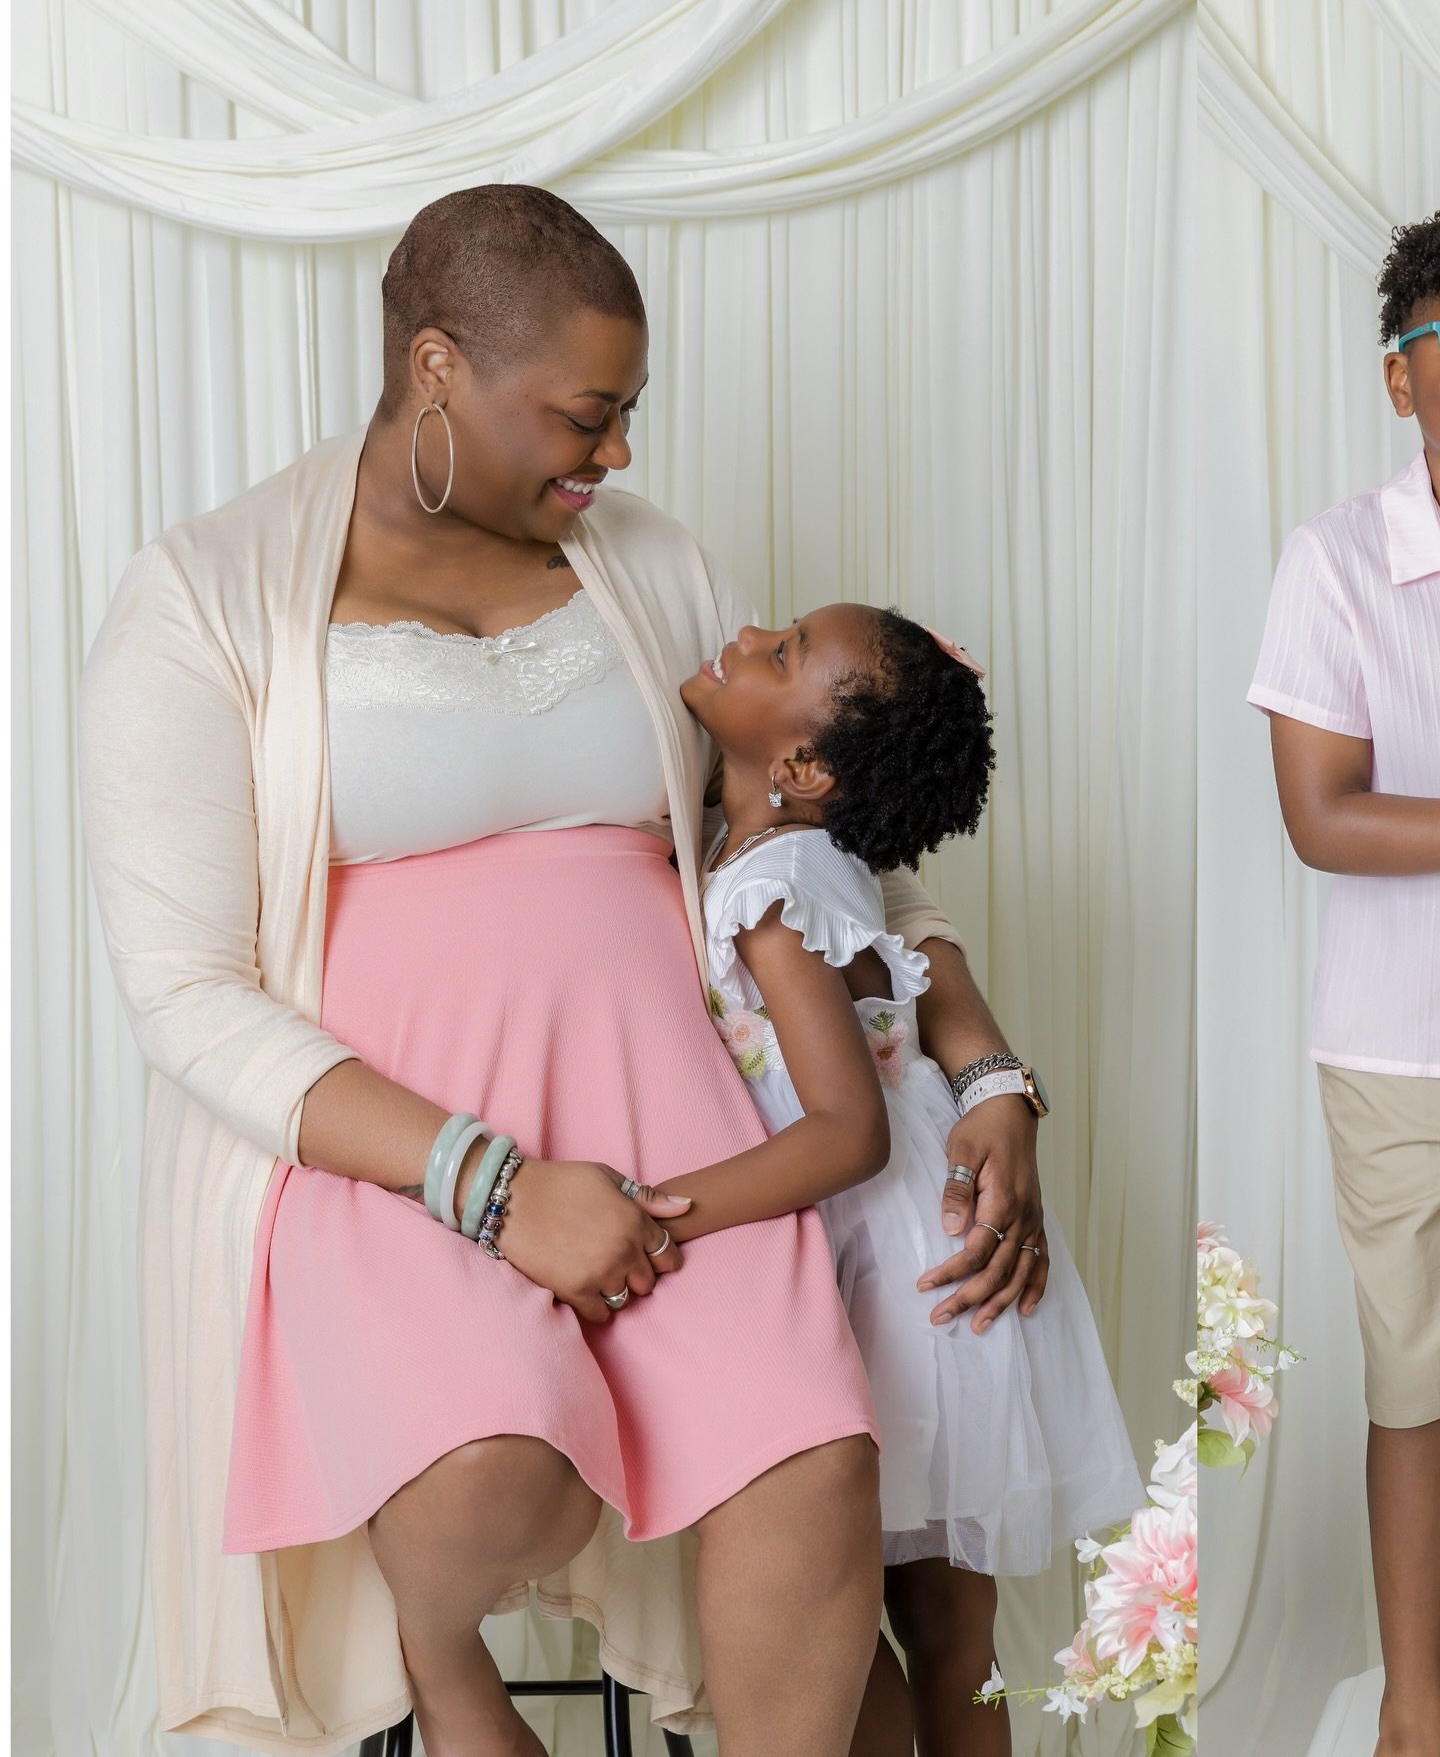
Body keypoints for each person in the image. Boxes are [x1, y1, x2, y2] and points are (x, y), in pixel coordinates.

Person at [78, 185, 1053, 1757]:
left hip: (685, 1134)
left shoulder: (645, 564)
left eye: (628, 415)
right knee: (498, 1476)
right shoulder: (204, 595)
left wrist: (986, 1066)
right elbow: (184, 993)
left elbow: (829, 843)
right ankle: (439, 1661)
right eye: (587, 416)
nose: (617, 457)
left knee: (812, 1465)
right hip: (387, 1154)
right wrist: (492, 1184)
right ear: (439, 367)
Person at [677, 604, 1141, 1757]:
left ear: (802, 767)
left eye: (782, 650)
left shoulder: (774, 890)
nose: (746, 631)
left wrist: (660, 1210)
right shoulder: (801, 857)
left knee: (882, 1619)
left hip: (900, 1272)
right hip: (906, 1251)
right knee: (943, 1634)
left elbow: (847, 1135)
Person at [1249, 210, 1440, 1757]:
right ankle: (1415, 1714)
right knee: (1415, 1388)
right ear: (1399, 375)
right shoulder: (1338, 560)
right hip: (1403, 1053)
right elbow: (1325, 816)